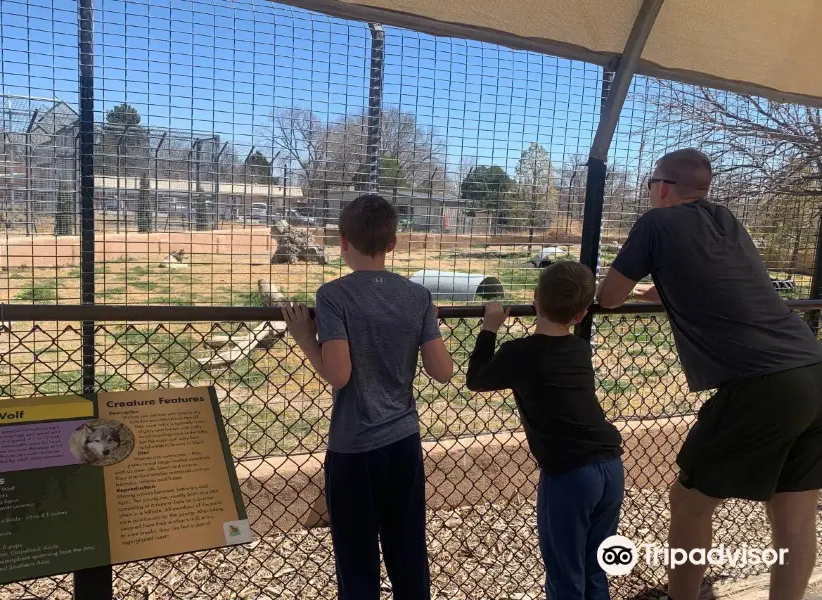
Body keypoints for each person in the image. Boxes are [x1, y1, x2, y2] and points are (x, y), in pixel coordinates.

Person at [596, 148, 822, 600]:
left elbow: (608, 297)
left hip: (761, 382)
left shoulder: (655, 223)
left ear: (661, 187)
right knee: (795, 514)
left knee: (689, 502)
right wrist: (659, 292)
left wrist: (629, 289)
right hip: (813, 367)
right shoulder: (727, 221)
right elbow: (718, 282)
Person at [282, 194, 454, 600]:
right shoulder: (418, 297)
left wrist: (306, 337)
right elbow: (443, 371)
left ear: (342, 241)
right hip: (404, 442)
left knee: (357, 557)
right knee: (408, 546)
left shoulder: (334, 296)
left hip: (355, 448)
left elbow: (339, 375)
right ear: (393, 244)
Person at [466, 261, 624, 600]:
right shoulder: (580, 349)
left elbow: (476, 380)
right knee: (595, 568)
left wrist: (489, 329)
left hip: (570, 474)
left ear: (535, 297)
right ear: (582, 315)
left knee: (565, 573)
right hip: (611, 466)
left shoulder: (519, 353)